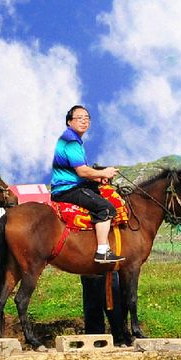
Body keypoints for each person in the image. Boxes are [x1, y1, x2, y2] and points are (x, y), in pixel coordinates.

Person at [51, 105, 125, 264]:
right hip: (68, 189)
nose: (84, 121)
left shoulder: (73, 139)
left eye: (87, 118)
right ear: (69, 122)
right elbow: (82, 171)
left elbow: (80, 172)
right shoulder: (71, 142)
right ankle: (102, 251)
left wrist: (97, 178)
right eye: (79, 118)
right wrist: (103, 173)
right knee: (106, 208)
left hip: (72, 185)